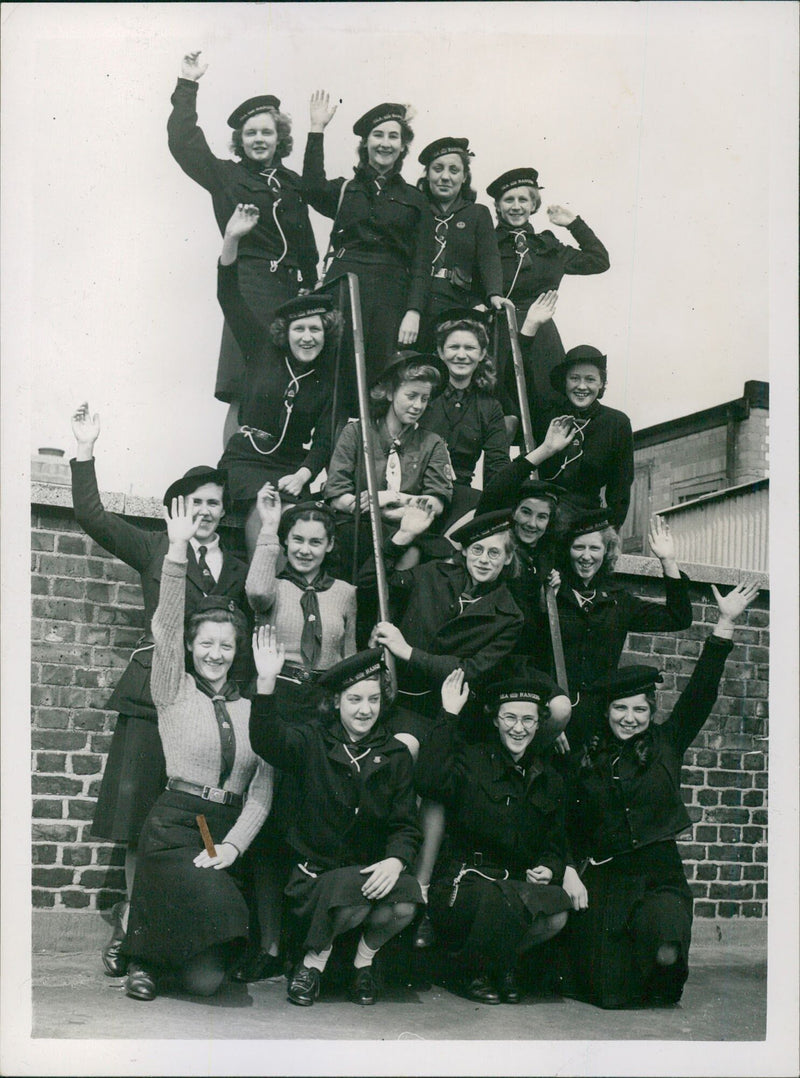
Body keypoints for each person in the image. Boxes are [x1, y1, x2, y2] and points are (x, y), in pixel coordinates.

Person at [69, 403, 248, 981]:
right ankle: (130, 932)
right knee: (140, 822)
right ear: (178, 509)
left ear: (225, 512)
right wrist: (85, 449)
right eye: (195, 502)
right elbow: (92, 516)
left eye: (215, 503)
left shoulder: (240, 567)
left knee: (199, 825)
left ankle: (189, 934)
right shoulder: (154, 548)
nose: (206, 511)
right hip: (155, 699)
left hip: (212, 711)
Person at [562, 580, 760, 1009]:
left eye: (639, 709)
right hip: (606, 874)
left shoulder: (668, 742)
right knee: (607, 994)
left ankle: (663, 960)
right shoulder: (584, 758)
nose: (629, 718)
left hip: (658, 872)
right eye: (620, 708)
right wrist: (567, 868)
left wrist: (724, 624)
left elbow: (701, 690)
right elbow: (564, 824)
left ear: (651, 712)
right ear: (606, 711)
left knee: (664, 949)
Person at [120, 496, 273, 1002]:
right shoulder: (173, 688)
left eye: (226, 646)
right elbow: (164, 626)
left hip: (217, 830)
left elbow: (262, 790)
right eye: (206, 643)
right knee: (203, 899)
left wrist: (234, 846)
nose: (215, 654)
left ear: (238, 652)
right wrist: (178, 550)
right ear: (192, 646)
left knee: (207, 982)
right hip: (175, 823)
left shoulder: (254, 708)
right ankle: (141, 958)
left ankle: (169, 961)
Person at [248, 640, 422, 1007]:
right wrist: (266, 685)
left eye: (373, 699)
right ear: (337, 701)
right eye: (355, 699)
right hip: (315, 876)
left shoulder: (395, 754)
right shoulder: (313, 740)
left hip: (368, 871)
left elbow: (405, 825)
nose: (365, 710)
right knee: (353, 898)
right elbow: (268, 740)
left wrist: (396, 860)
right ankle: (312, 965)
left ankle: (364, 963)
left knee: (405, 902)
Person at [235, 485, 357, 981]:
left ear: (330, 544)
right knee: (268, 823)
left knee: (309, 826)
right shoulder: (273, 584)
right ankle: (267, 944)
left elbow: (349, 658)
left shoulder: (346, 592)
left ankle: (301, 945)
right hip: (277, 704)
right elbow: (255, 592)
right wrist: (269, 528)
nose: (306, 549)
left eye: (316, 541)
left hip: (323, 712)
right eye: (298, 540)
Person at [168, 52, 319, 444]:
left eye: (266, 132)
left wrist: (311, 282)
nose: (258, 139)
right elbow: (184, 143)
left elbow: (306, 241)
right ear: (240, 139)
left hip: (291, 294)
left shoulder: (291, 183)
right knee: (245, 387)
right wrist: (188, 84)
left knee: (289, 384)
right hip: (249, 289)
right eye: (250, 133)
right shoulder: (227, 176)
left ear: (279, 138)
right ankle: (234, 468)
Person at [414, 668, 574, 1003]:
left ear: (540, 723)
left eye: (529, 720)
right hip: (466, 885)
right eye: (510, 718)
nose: (519, 728)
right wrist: (448, 715)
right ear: (495, 720)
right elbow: (428, 781)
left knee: (557, 910)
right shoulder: (472, 760)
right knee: (499, 899)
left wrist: (548, 867)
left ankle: (494, 964)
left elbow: (555, 846)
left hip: (515, 886)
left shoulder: (549, 779)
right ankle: (478, 971)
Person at [217, 204, 343, 558]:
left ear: (325, 333)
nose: (307, 337)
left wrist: (305, 475)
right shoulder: (261, 350)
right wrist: (232, 239)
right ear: (284, 333)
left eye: (315, 329)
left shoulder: (328, 377)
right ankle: (262, 599)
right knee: (267, 508)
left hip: (290, 468)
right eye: (298, 329)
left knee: (297, 520)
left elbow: (325, 437)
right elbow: (229, 296)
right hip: (246, 462)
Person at [302, 91, 434, 405]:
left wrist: (413, 311)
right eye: (378, 135)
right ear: (366, 143)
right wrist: (317, 129)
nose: (385, 143)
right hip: (343, 289)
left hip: (391, 295)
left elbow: (421, 262)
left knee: (380, 379)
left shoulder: (417, 200)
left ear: (403, 146)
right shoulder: (346, 189)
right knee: (334, 373)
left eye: (393, 136)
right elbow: (310, 187)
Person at [536, 510, 694, 753]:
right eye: (579, 547)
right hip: (553, 716)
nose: (586, 556)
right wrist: (552, 721)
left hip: (601, 726)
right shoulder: (550, 593)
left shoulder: (619, 601)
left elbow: (678, 617)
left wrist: (668, 562)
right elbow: (534, 655)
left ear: (606, 552)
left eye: (594, 548)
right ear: (567, 550)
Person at [487, 167, 609, 412]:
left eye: (524, 199)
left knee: (546, 407)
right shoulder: (486, 244)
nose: (516, 206)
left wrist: (574, 224)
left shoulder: (548, 246)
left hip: (543, 341)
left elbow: (599, 260)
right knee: (502, 412)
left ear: (534, 204)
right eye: (508, 200)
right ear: (498, 206)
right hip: (498, 335)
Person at [324, 351, 453, 579]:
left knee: (412, 553)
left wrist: (392, 497)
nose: (418, 405)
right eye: (411, 395)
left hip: (408, 528)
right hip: (357, 526)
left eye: (424, 398)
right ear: (391, 392)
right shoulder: (356, 432)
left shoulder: (432, 443)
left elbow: (436, 502)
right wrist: (376, 509)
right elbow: (337, 493)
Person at [418, 307, 510, 525]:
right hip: (415, 490)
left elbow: (498, 463)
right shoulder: (423, 395)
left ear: (481, 354)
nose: (461, 355)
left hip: (460, 498)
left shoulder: (489, 407)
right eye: (453, 347)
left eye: (470, 348)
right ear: (440, 352)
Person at [413, 137, 503, 350]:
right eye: (437, 169)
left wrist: (494, 294)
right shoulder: (416, 208)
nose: (445, 177)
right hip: (414, 303)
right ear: (427, 174)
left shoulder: (477, 213)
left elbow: (489, 257)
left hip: (456, 303)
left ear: (464, 177)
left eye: (454, 170)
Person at [532, 344, 634, 530]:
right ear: (565, 382)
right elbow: (514, 380)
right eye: (574, 378)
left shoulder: (617, 423)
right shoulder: (546, 413)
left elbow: (620, 485)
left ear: (601, 383)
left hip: (587, 521)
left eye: (590, 379)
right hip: (541, 518)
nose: (582, 386)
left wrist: (612, 530)